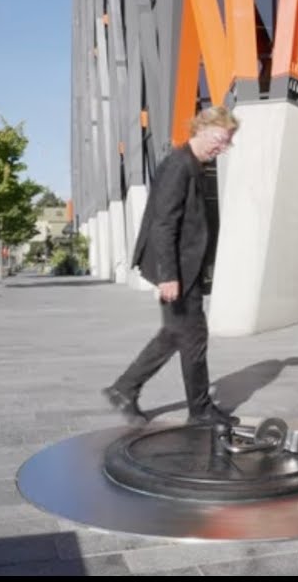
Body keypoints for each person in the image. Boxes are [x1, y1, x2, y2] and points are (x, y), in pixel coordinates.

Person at [102, 105, 240, 427]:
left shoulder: (191, 164)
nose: (224, 147)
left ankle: (125, 389)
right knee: (191, 336)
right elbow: (164, 224)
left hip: (183, 268)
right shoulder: (179, 165)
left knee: (177, 334)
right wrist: (168, 276)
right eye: (221, 139)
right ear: (201, 129)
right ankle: (198, 409)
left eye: (228, 142)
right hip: (177, 270)